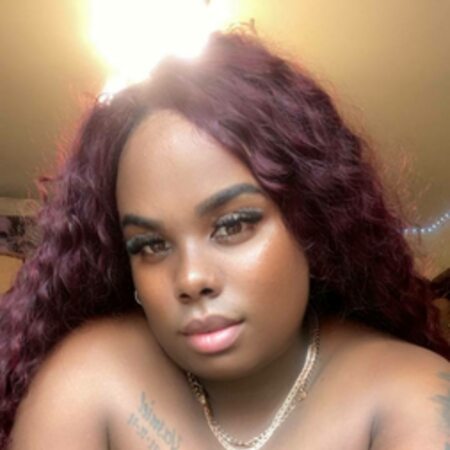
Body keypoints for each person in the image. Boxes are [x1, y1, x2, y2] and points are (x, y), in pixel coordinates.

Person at [1, 29, 449, 450]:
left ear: (313, 226)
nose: (191, 279)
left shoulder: (410, 393)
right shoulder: (94, 375)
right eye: (151, 245)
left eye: (233, 225)